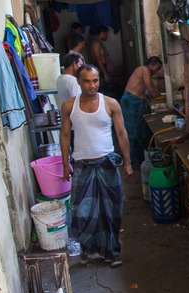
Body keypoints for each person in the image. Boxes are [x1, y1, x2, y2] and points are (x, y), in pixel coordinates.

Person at [60, 64, 133, 268]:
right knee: (83, 211)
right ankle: (88, 250)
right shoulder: (69, 106)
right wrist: (65, 164)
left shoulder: (110, 104)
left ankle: (113, 252)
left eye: (95, 80)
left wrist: (127, 162)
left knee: (111, 211)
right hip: (82, 165)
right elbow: (65, 135)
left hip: (107, 163)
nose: (92, 85)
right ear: (78, 81)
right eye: (87, 81)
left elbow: (122, 134)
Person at [121, 56, 162, 166]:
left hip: (137, 102)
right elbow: (150, 86)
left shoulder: (145, 71)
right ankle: (132, 161)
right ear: (152, 65)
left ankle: (139, 159)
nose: (156, 72)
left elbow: (150, 86)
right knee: (132, 133)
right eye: (157, 69)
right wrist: (159, 97)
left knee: (140, 131)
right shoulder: (144, 69)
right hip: (130, 102)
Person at [89, 25, 115, 94]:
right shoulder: (97, 43)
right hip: (101, 68)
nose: (107, 36)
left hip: (100, 68)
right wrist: (105, 73)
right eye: (106, 34)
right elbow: (99, 59)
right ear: (102, 33)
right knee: (105, 90)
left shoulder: (95, 42)